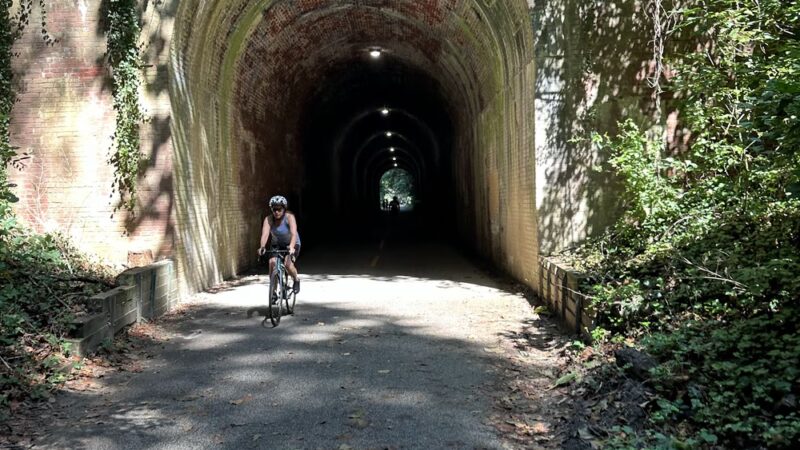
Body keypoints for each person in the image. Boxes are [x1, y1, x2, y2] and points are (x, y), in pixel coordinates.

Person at [258, 195, 301, 294]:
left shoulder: (289, 217)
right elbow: (265, 235)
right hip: (277, 244)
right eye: (274, 209)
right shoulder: (268, 219)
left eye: (279, 209)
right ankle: (273, 291)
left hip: (292, 243)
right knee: (272, 262)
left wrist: (291, 247)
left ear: (284, 209)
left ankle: (296, 279)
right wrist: (262, 247)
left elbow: (294, 234)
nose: (276, 212)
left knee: (287, 264)